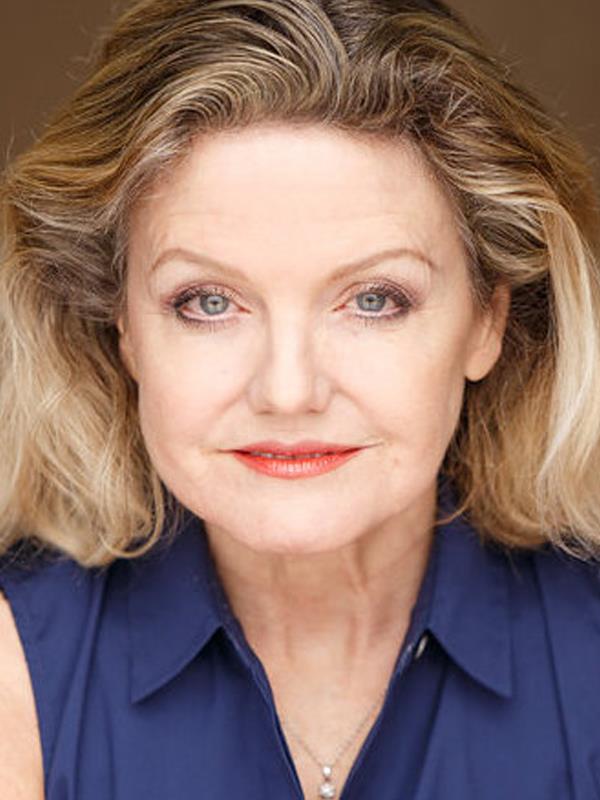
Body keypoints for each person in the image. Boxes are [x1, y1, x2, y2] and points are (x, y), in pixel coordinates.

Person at [1, 0, 600, 797]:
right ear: (124, 327)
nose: (288, 392)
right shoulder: (15, 667)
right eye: (208, 301)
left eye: (374, 300)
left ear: (486, 321)